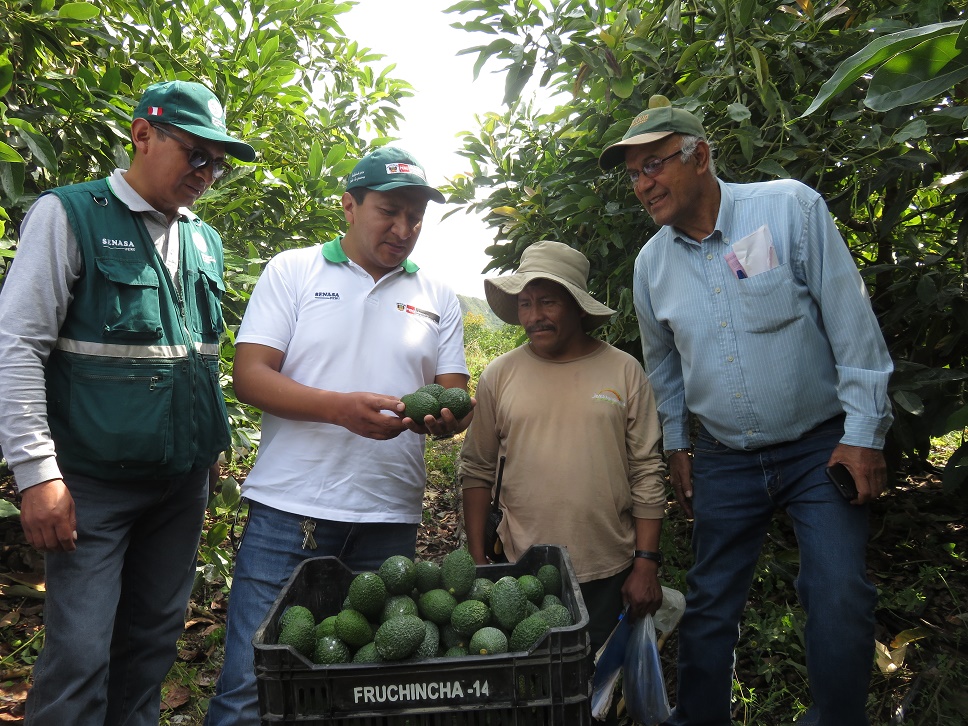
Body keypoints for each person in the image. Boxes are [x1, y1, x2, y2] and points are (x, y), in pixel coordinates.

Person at [598, 95, 894, 725]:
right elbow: (665, 369)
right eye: (633, 174)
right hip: (725, 457)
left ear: (699, 155)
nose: (642, 185)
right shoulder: (651, 266)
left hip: (820, 445)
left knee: (839, 593)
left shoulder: (790, 209)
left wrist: (864, 432)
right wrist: (678, 444)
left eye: (653, 165)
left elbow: (852, 325)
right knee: (709, 605)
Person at [0, 80, 255, 725]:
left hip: (181, 486)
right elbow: (17, 347)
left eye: (217, 163)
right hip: (93, 488)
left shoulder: (203, 239)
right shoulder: (70, 216)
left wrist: (208, 451)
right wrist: (37, 474)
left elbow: (198, 360)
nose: (207, 173)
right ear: (143, 134)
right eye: (196, 154)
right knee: (80, 653)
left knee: (151, 644)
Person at [205, 146, 472, 725]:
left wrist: (450, 417)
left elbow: (454, 390)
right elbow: (249, 376)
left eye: (416, 218)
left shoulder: (437, 297)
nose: (404, 229)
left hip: (389, 517)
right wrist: (338, 410)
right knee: (251, 685)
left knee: (361, 689)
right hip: (290, 511)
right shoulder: (294, 270)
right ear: (349, 206)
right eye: (389, 211)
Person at [459, 240, 667, 656]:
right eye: (525, 304)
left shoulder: (624, 371)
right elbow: (477, 467)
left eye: (548, 302)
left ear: (577, 305)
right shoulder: (501, 375)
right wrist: (477, 555)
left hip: (607, 564)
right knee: (531, 682)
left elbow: (647, 470)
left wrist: (646, 561)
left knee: (597, 683)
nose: (534, 316)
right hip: (523, 565)